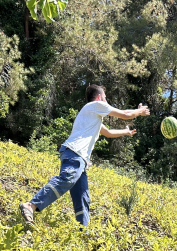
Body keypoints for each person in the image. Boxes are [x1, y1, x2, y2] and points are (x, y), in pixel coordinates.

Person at [19, 84, 150, 227]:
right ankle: (31, 205)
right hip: (74, 153)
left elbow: (108, 133)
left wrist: (126, 132)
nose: (106, 101)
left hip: (79, 159)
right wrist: (139, 111)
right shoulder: (96, 105)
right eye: (105, 98)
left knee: (82, 197)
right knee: (67, 179)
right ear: (99, 97)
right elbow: (125, 114)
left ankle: (83, 230)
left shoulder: (92, 116)